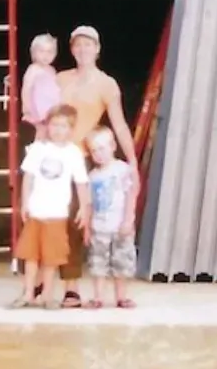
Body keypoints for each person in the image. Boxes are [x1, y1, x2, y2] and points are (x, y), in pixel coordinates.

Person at [53, 25, 139, 309]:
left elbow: (119, 124)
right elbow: (46, 116)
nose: (83, 49)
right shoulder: (60, 79)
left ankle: (108, 291)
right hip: (58, 156)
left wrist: (132, 160)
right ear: (72, 49)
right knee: (62, 221)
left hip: (85, 157)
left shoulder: (107, 84)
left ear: (97, 49)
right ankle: (70, 288)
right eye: (78, 45)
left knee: (84, 221)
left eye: (88, 44)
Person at [11, 104, 91, 310]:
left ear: (71, 130)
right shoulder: (37, 149)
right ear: (47, 126)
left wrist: (84, 208)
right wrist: (24, 203)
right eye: (54, 125)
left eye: (63, 126)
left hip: (57, 214)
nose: (57, 130)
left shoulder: (74, 153)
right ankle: (28, 293)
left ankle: (47, 295)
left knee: (51, 258)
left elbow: (81, 183)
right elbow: (28, 177)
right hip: (36, 212)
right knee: (31, 256)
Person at [84, 126, 137, 309]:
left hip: (120, 226)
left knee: (121, 263)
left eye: (102, 148)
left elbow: (130, 196)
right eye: (94, 151)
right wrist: (87, 227)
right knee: (98, 263)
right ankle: (98, 297)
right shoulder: (92, 176)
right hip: (99, 228)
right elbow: (89, 204)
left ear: (113, 146)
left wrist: (128, 220)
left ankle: (121, 297)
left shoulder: (123, 170)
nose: (98, 154)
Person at [21, 33, 61, 141]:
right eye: (41, 51)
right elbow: (26, 89)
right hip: (37, 111)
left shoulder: (52, 70)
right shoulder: (33, 69)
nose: (45, 55)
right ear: (34, 52)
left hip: (51, 110)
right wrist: (26, 110)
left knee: (51, 135)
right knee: (40, 135)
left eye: (49, 52)